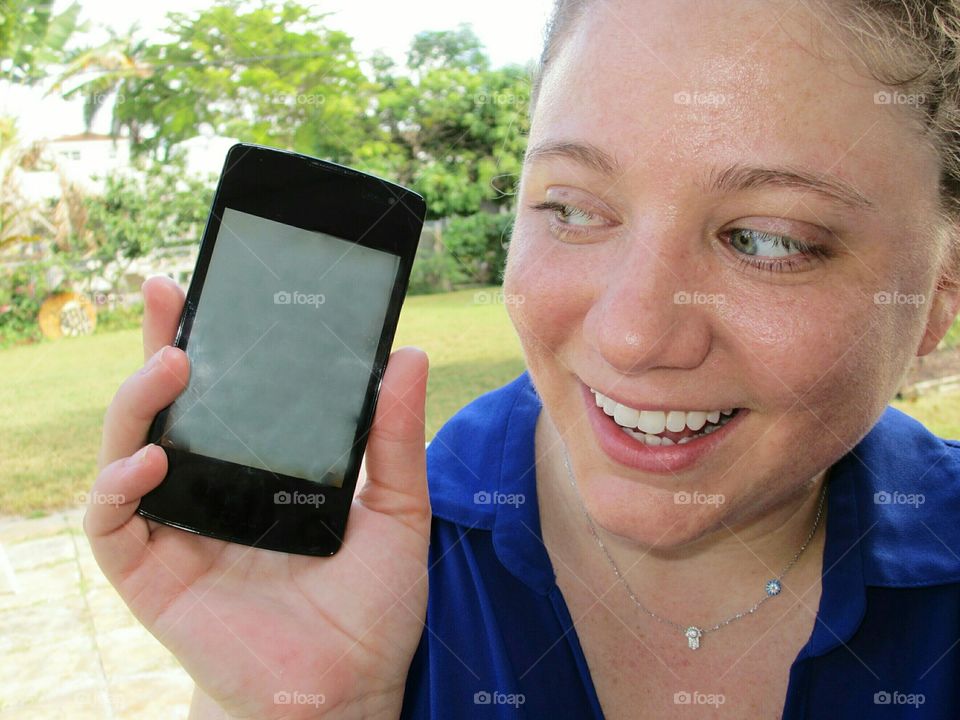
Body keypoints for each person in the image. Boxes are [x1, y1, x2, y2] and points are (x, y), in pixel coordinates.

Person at [85, 0, 960, 717]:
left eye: (768, 238)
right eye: (573, 209)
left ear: (942, 294)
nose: (632, 335)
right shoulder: (372, 572)